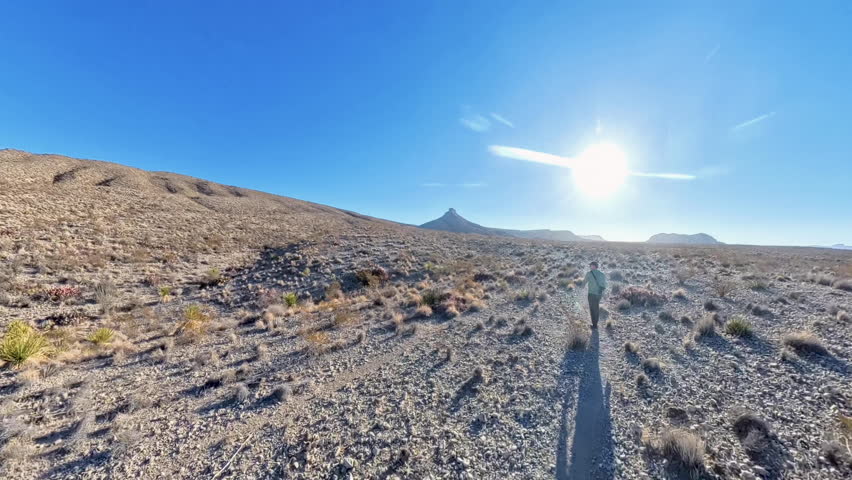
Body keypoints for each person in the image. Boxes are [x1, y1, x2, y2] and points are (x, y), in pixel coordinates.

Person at [584, 261, 607, 328]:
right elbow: (604, 285)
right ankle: (595, 324)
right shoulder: (602, 274)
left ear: (594, 266)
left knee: (592, 308)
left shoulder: (589, 273)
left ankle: (594, 324)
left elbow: (584, 282)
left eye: (591, 265)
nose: (590, 267)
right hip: (599, 294)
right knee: (596, 308)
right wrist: (603, 293)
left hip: (591, 294)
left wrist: (580, 286)